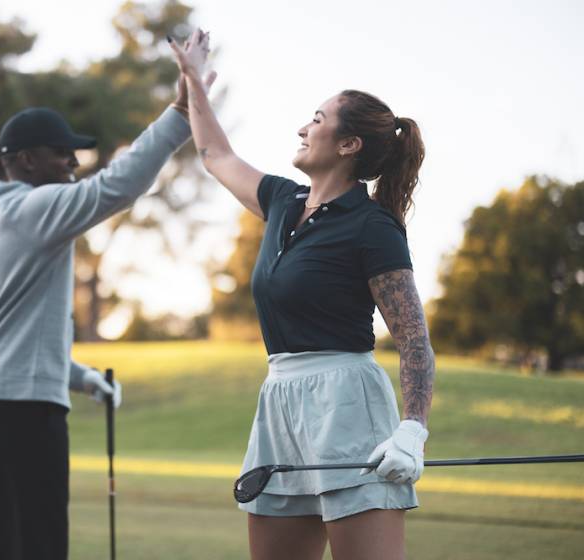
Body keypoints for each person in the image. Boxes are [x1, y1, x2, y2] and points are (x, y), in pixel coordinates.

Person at [0, 51, 214, 560]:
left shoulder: (1, 222)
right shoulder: (33, 209)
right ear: (23, 160)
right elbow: (117, 186)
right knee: (36, 546)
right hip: (19, 411)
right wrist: (178, 113)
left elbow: (20, 342)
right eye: (61, 152)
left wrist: (87, 380)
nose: (73, 162)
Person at [170, 30, 435, 560]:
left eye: (316, 119)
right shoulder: (282, 200)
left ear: (348, 144)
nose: (302, 127)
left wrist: (412, 430)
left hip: (348, 406)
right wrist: (193, 80)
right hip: (279, 400)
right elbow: (214, 153)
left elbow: (413, 339)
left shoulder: (372, 227)